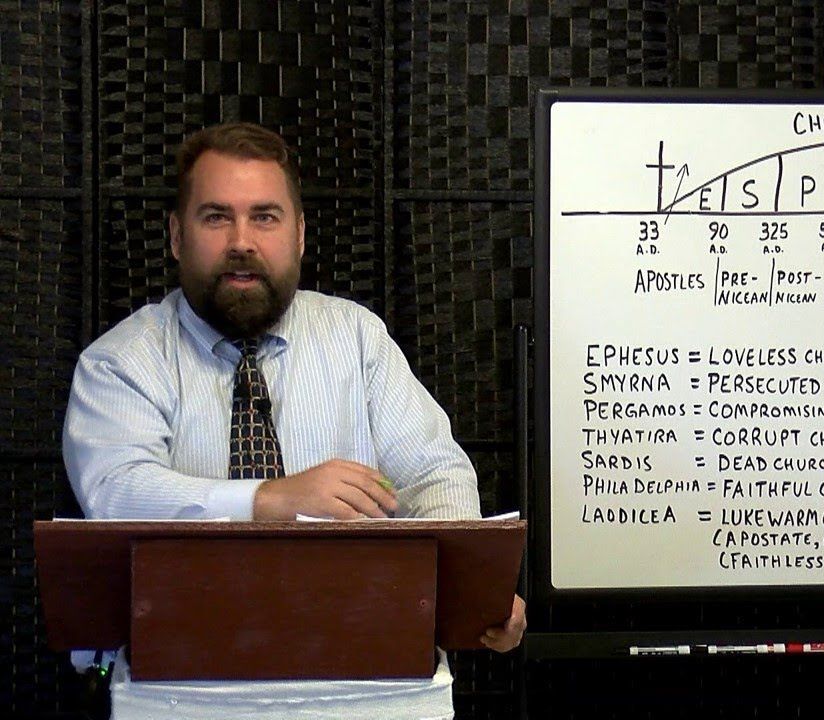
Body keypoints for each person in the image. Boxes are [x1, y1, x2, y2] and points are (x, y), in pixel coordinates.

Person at [62, 121, 525, 718]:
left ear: (300, 234)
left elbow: (433, 472)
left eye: (265, 217)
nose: (241, 241)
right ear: (177, 236)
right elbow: (115, 493)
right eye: (216, 217)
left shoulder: (357, 338)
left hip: (371, 686)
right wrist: (269, 501)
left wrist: (467, 591)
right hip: (181, 693)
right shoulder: (121, 361)